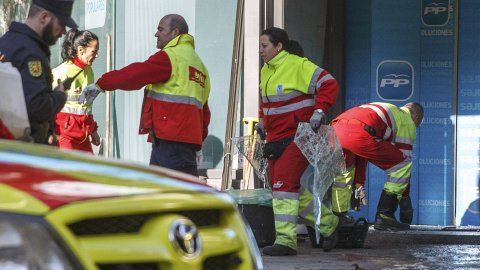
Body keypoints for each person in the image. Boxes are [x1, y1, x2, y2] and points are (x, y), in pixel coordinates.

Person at [82, 14, 210, 176]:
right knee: (178, 193)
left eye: (160, 29)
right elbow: (204, 112)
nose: (156, 34)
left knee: (167, 195)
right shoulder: (200, 67)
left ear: (175, 32)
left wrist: (101, 84)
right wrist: (198, 144)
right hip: (183, 146)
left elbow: (135, 74)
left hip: (170, 145)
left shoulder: (171, 57)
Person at [255, 27, 341, 256]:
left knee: (284, 185)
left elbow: (329, 83)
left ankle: (286, 241)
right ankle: (330, 224)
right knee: (283, 187)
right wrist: (262, 121)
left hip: (300, 135)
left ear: (278, 46)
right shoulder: (266, 70)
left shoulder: (298, 65)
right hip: (276, 138)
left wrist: (318, 111)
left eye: (264, 46)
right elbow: (267, 101)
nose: (260, 50)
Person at [330, 102, 423, 231]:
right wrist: (405, 199)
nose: (415, 127)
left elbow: (362, 151)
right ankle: (385, 215)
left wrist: (358, 185)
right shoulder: (407, 120)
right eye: (417, 124)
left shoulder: (386, 110)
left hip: (334, 131)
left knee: (345, 172)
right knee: (403, 166)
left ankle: (338, 218)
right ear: (415, 117)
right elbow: (403, 160)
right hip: (359, 133)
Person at [0, 0, 78, 144]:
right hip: (22, 149)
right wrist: (59, 96)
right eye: (61, 24)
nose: (64, 32)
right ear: (44, 17)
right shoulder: (30, 53)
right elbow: (36, 107)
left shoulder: (6, 41)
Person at [52, 29, 100, 153]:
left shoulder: (89, 71)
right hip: (64, 136)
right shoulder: (62, 72)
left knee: (89, 171)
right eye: (94, 52)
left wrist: (93, 130)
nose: (97, 56)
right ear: (80, 50)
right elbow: (46, 103)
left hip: (83, 137)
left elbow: (87, 107)